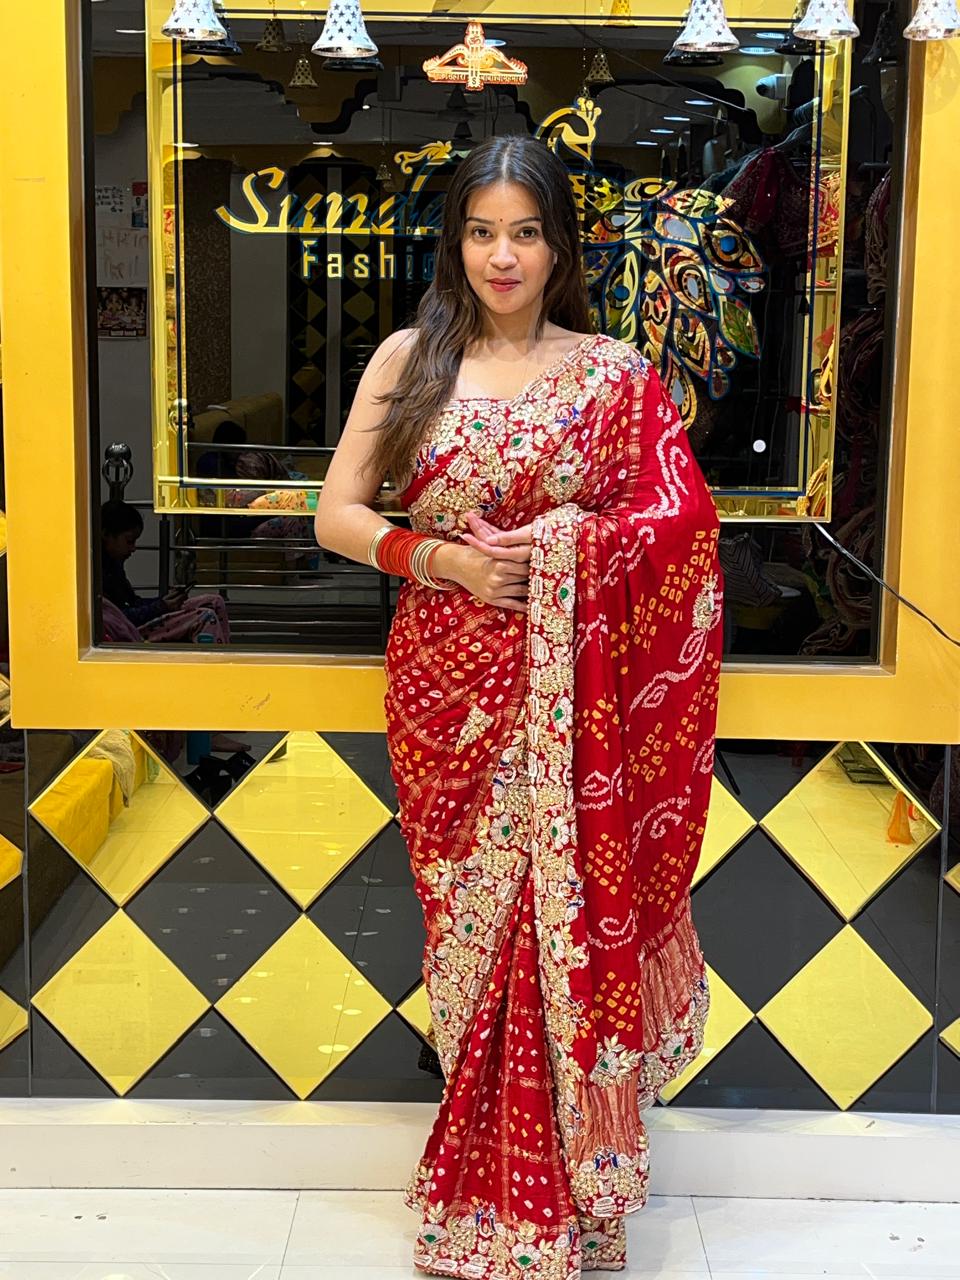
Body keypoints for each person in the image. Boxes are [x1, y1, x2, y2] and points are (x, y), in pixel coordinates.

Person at [313, 135, 723, 1279]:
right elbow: (335, 515)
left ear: (559, 246)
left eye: (526, 232)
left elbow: (682, 530)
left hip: (577, 700)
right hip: (447, 689)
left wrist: (558, 546)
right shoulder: (410, 358)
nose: (503, 256)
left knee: (559, 931)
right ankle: (494, 1197)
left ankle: (568, 1205)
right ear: (455, 241)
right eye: (482, 231)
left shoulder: (614, 372)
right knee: (475, 933)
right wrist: (441, 559)